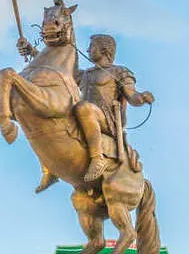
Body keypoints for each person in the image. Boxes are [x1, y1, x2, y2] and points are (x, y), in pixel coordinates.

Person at [23, 34, 155, 192]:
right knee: (52, 114)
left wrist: (142, 98)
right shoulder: (85, 74)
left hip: (106, 120)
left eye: (91, 47)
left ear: (104, 49)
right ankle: (49, 168)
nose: (87, 50)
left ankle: (97, 157)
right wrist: (32, 51)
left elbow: (132, 96)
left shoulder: (119, 71)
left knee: (83, 107)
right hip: (84, 116)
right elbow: (57, 68)